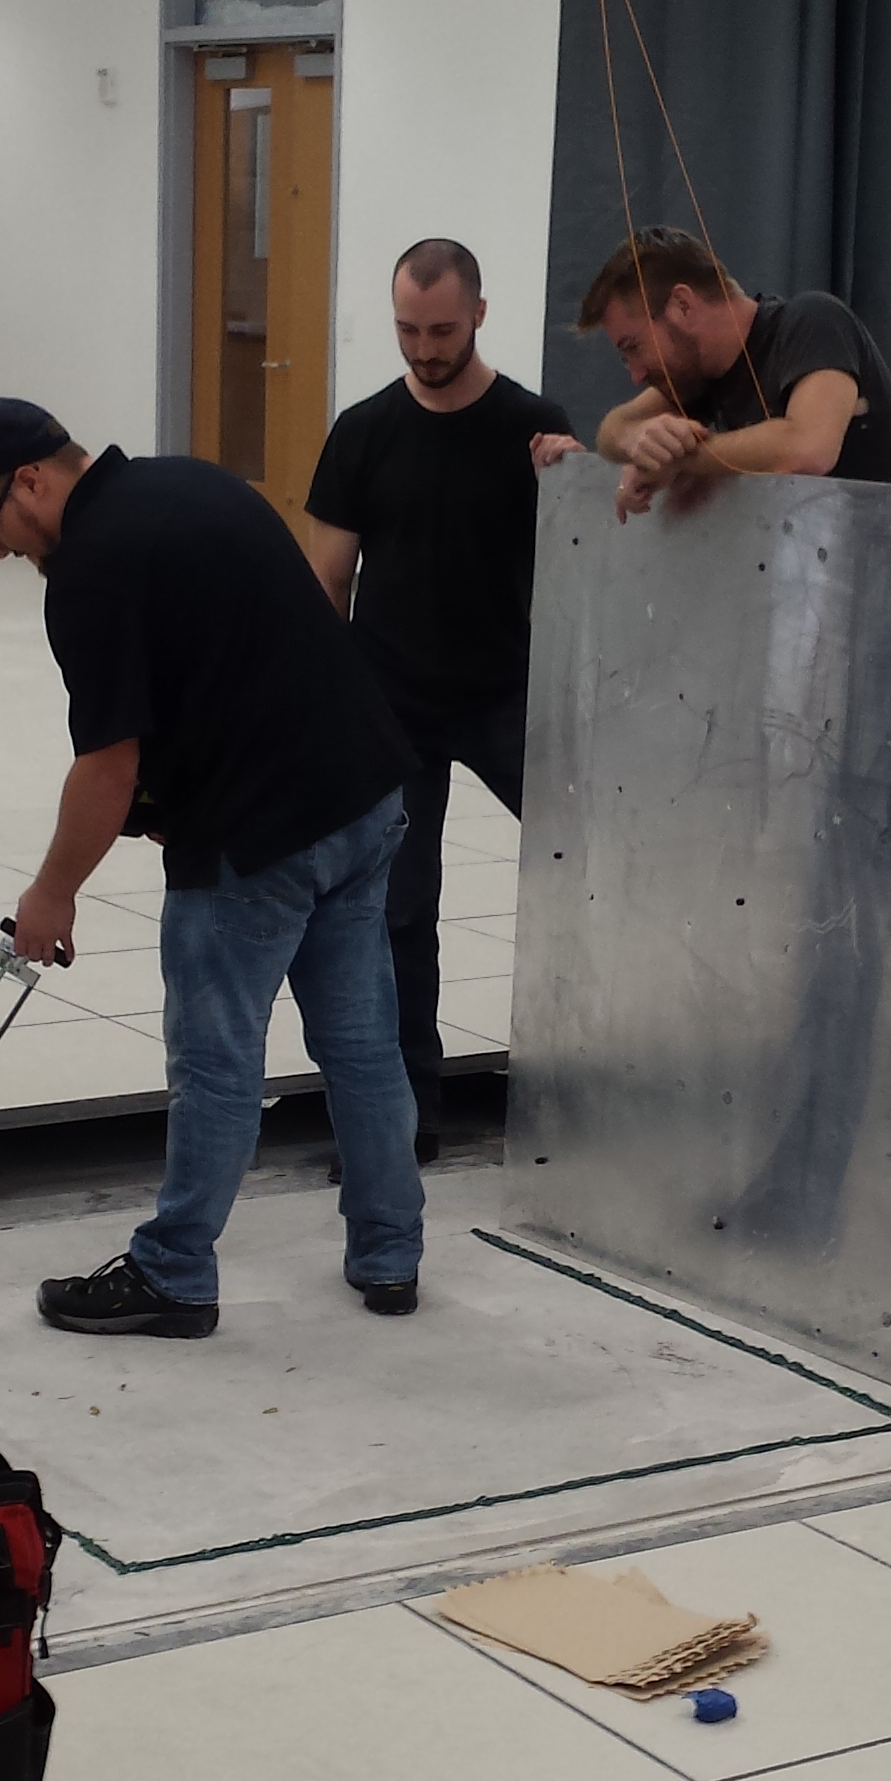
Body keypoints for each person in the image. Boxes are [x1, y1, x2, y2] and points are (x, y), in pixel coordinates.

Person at [0, 397, 428, 1338]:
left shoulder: (89, 573)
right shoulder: (190, 480)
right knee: (361, 1047)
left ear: (30, 481)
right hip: (365, 797)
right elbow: (246, 653)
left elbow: (108, 764)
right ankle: (390, 1255)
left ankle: (175, 1273)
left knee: (216, 1063)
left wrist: (51, 893)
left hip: (259, 838)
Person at [299, 239, 580, 1160]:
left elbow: (592, 560)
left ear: (481, 316)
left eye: (443, 331)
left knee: (593, 872)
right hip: (393, 706)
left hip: (509, 694)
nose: (424, 349)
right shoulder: (364, 430)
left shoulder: (536, 427)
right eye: (408, 330)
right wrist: (324, 715)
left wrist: (576, 481)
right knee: (396, 913)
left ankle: (603, 1092)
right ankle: (402, 1115)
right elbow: (324, 585)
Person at [574, 226, 891, 519]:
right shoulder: (699, 376)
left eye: (634, 347)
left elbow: (808, 449)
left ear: (682, 306)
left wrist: (678, 460)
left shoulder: (812, 321)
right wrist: (640, 440)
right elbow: (612, 429)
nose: (635, 374)